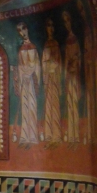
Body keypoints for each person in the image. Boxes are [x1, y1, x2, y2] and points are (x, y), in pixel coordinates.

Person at [12, 22, 40, 146]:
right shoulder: (21, 50)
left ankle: (32, 137)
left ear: (27, 29)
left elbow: (36, 65)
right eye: (20, 31)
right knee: (24, 108)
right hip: (24, 81)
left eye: (23, 29)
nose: (22, 32)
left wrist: (32, 76)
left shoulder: (33, 48)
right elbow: (20, 66)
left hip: (31, 81)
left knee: (32, 107)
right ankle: (24, 137)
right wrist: (19, 76)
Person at [78, 0, 96, 145]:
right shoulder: (85, 32)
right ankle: (89, 135)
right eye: (80, 11)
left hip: (92, 73)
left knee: (92, 99)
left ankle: (92, 134)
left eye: (82, 10)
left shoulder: (91, 32)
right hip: (87, 71)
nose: (82, 13)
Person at [41, 18, 62, 146]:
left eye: (52, 26)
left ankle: (57, 135)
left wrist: (51, 66)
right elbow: (44, 63)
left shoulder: (55, 44)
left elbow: (58, 62)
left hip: (54, 78)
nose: (50, 28)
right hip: (48, 79)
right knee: (48, 107)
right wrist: (47, 67)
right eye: (48, 26)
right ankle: (48, 135)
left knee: (55, 106)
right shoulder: (46, 45)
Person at [63, 10, 81, 146]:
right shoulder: (67, 40)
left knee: (74, 104)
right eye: (64, 22)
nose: (66, 24)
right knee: (70, 105)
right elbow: (66, 60)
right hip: (69, 76)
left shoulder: (75, 40)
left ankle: (76, 136)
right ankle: (71, 136)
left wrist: (74, 63)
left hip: (75, 76)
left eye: (68, 20)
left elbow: (77, 58)